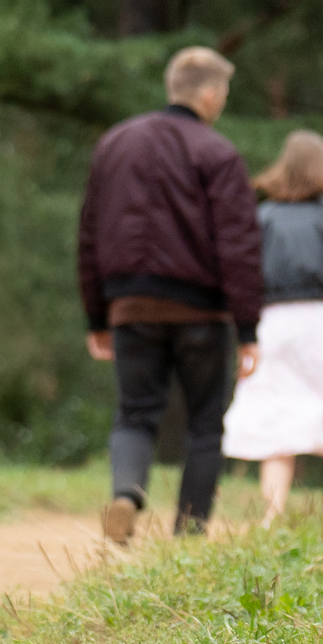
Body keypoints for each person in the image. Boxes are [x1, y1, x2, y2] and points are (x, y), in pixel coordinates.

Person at [77, 46, 264, 543]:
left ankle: (126, 494)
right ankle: (189, 537)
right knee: (205, 424)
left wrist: (96, 315)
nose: (222, 102)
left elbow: (90, 235)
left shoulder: (114, 144)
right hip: (199, 310)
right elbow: (239, 244)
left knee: (136, 413)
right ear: (206, 93)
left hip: (130, 305)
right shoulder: (217, 153)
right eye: (222, 92)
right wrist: (248, 328)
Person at [222, 130, 323, 525]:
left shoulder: (261, 218)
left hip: (274, 322)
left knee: (277, 416)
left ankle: (272, 516)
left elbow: (241, 274)